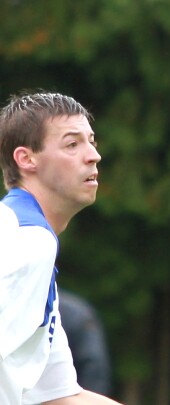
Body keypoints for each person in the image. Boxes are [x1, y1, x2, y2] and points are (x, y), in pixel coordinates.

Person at [0, 91, 123, 405]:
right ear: (26, 159)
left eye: (91, 141)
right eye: (72, 144)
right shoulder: (28, 241)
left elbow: (62, 396)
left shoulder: (34, 242)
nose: (93, 155)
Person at [59, 290, 113, 395]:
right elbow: (94, 366)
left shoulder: (75, 313)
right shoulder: (77, 312)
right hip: (68, 396)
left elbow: (92, 364)